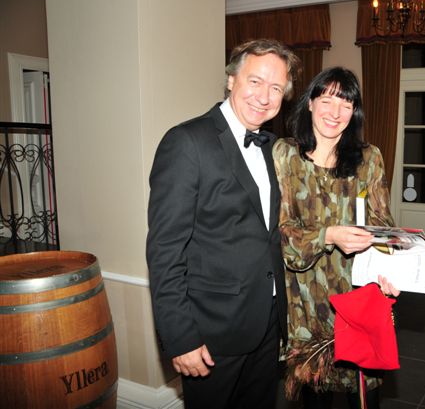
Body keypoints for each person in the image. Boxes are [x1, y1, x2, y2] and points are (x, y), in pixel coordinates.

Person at [146, 39, 300, 408]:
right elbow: (165, 250)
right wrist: (180, 338)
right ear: (231, 80)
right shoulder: (186, 142)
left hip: (267, 323)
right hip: (212, 331)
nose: (264, 97)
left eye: (275, 88)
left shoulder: (274, 147)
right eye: (255, 81)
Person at [273, 67, 398, 409]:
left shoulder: (369, 158)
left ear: (354, 111)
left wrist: (391, 274)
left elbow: (382, 225)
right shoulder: (284, 155)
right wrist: (327, 235)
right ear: (310, 103)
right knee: (316, 399)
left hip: (358, 298)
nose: (335, 112)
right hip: (306, 302)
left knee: (365, 397)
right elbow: (280, 233)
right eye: (327, 100)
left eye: (346, 104)